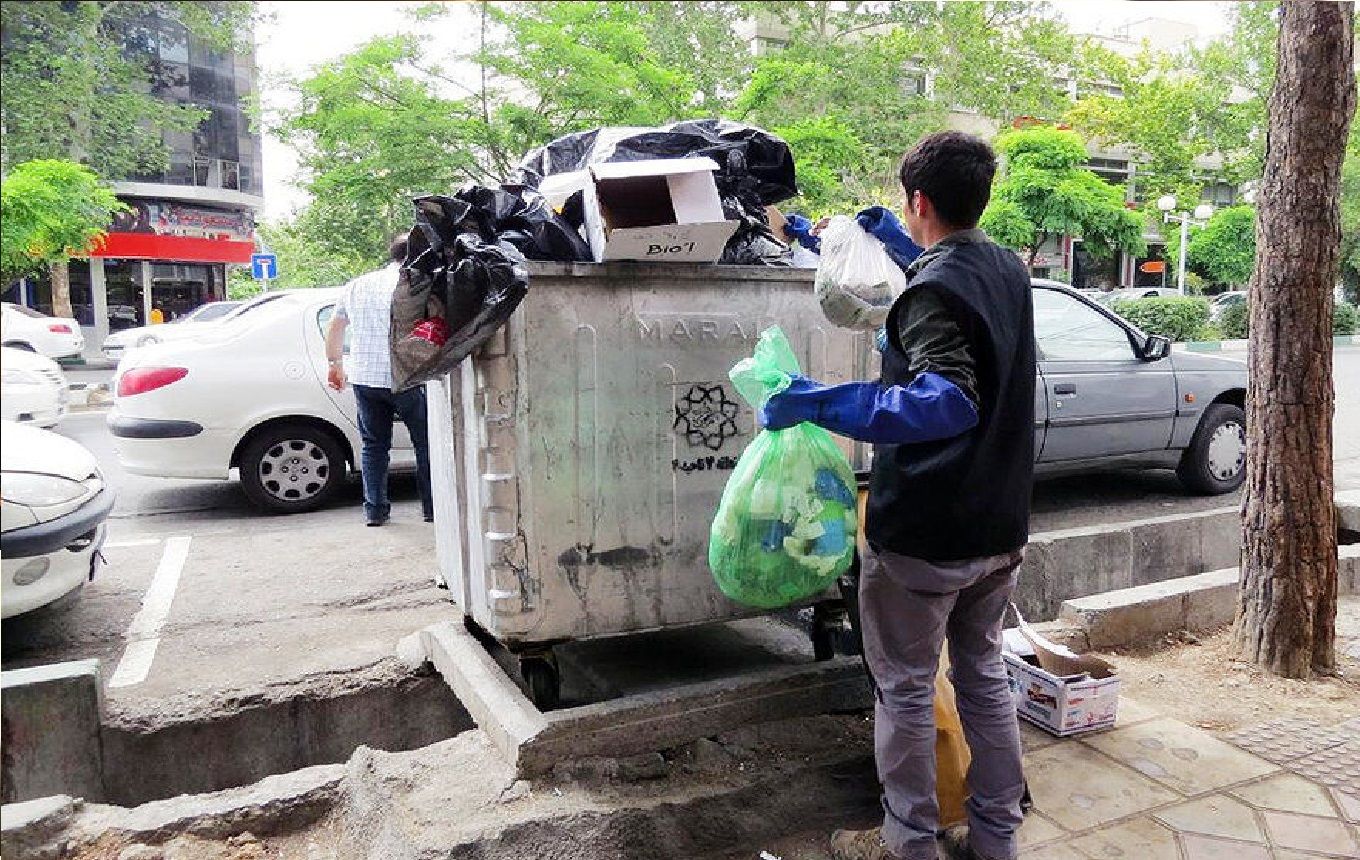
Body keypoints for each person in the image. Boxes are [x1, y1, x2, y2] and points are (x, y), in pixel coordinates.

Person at [761, 131, 1035, 860]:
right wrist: (907, 252)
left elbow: (947, 400)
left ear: (919, 200)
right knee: (980, 679)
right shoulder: (1007, 268)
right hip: (998, 528)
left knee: (909, 690)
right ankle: (996, 840)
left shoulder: (931, 290)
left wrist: (820, 402)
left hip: (927, 534)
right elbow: (961, 316)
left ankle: (909, 843)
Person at [325, 233, 433, 527]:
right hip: (406, 376)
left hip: (365, 377)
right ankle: (431, 509)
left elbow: (336, 326)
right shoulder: (415, 283)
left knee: (374, 445)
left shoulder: (357, 285)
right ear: (414, 256)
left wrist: (335, 364)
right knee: (424, 443)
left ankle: (375, 511)